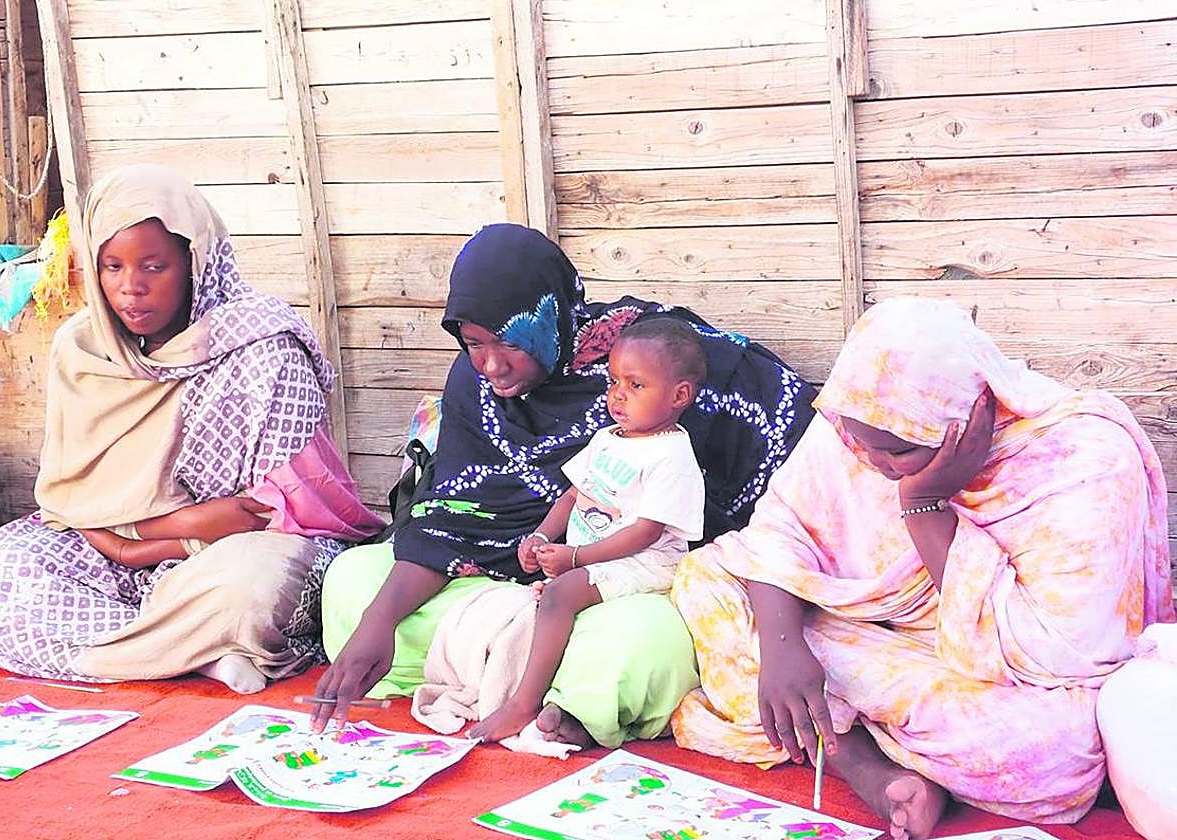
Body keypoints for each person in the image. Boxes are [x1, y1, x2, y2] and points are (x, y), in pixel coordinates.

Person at [669, 297, 1174, 840]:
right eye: (862, 446)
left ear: (970, 416)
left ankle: (837, 731)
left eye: (899, 453)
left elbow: (1056, 655)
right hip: (854, 627)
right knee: (707, 583)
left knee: (1053, 750)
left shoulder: (1083, 459)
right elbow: (777, 531)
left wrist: (925, 504)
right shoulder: (860, 418)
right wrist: (784, 647)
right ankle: (861, 762)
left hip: (987, 668)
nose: (875, 466)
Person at [313, 222, 817, 747]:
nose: (490, 366)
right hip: (505, 576)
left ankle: (536, 687)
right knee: (352, 581)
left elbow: (778, 454)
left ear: (550, 317)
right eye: (472, 345)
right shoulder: (474, 385)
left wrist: (575, 559)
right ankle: (554, 687)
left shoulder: (640, 362)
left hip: (621, 585)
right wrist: (379, 619)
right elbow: (450, 523)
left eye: (508, 342)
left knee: (649, 644)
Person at [0, 164, 383, 693]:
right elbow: (69, 506)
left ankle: (166, 648)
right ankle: (196, 655)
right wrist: (148, 543)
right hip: (118, 546)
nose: (131, 289)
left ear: (194, 263)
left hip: (232, 554)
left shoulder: (260, 347)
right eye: (111, 267)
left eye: (153, 267)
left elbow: (273, 517)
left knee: (251, 589)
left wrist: (184, 541)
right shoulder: (83, 350)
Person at [469, 318, 708, 742]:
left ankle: (523, 703)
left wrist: (576, 560)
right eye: (614, 381)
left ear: (679, 396)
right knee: (545, 596)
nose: (618, 395)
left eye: (636, 385)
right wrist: (542, 537)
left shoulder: (672, 454)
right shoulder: (608, 438)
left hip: (648, 562)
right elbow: (572, 496)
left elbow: (648, 533)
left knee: (560, 593)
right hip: (595, 556)